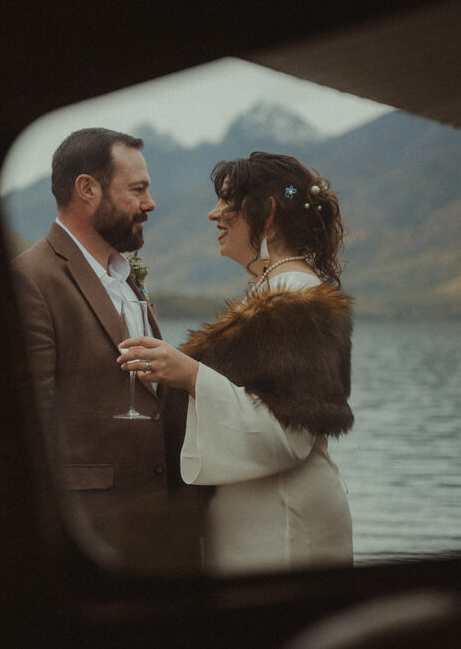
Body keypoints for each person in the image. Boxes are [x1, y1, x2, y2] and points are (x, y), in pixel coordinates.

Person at [117, 151, 354, 574]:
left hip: (283, 521)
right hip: (261, 510)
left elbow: (289, 434)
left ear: (267, 215)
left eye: (229, 203)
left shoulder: (295, 298)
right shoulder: (273, 291)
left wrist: (190, 375)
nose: (214, 214)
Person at [11, 127, 202, 573]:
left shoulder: (125, 277)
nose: (149, 204)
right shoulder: (31, 279)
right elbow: (28, 425)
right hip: (92, 534)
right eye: (137, 190)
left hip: (158, 533)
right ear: (87, 189)